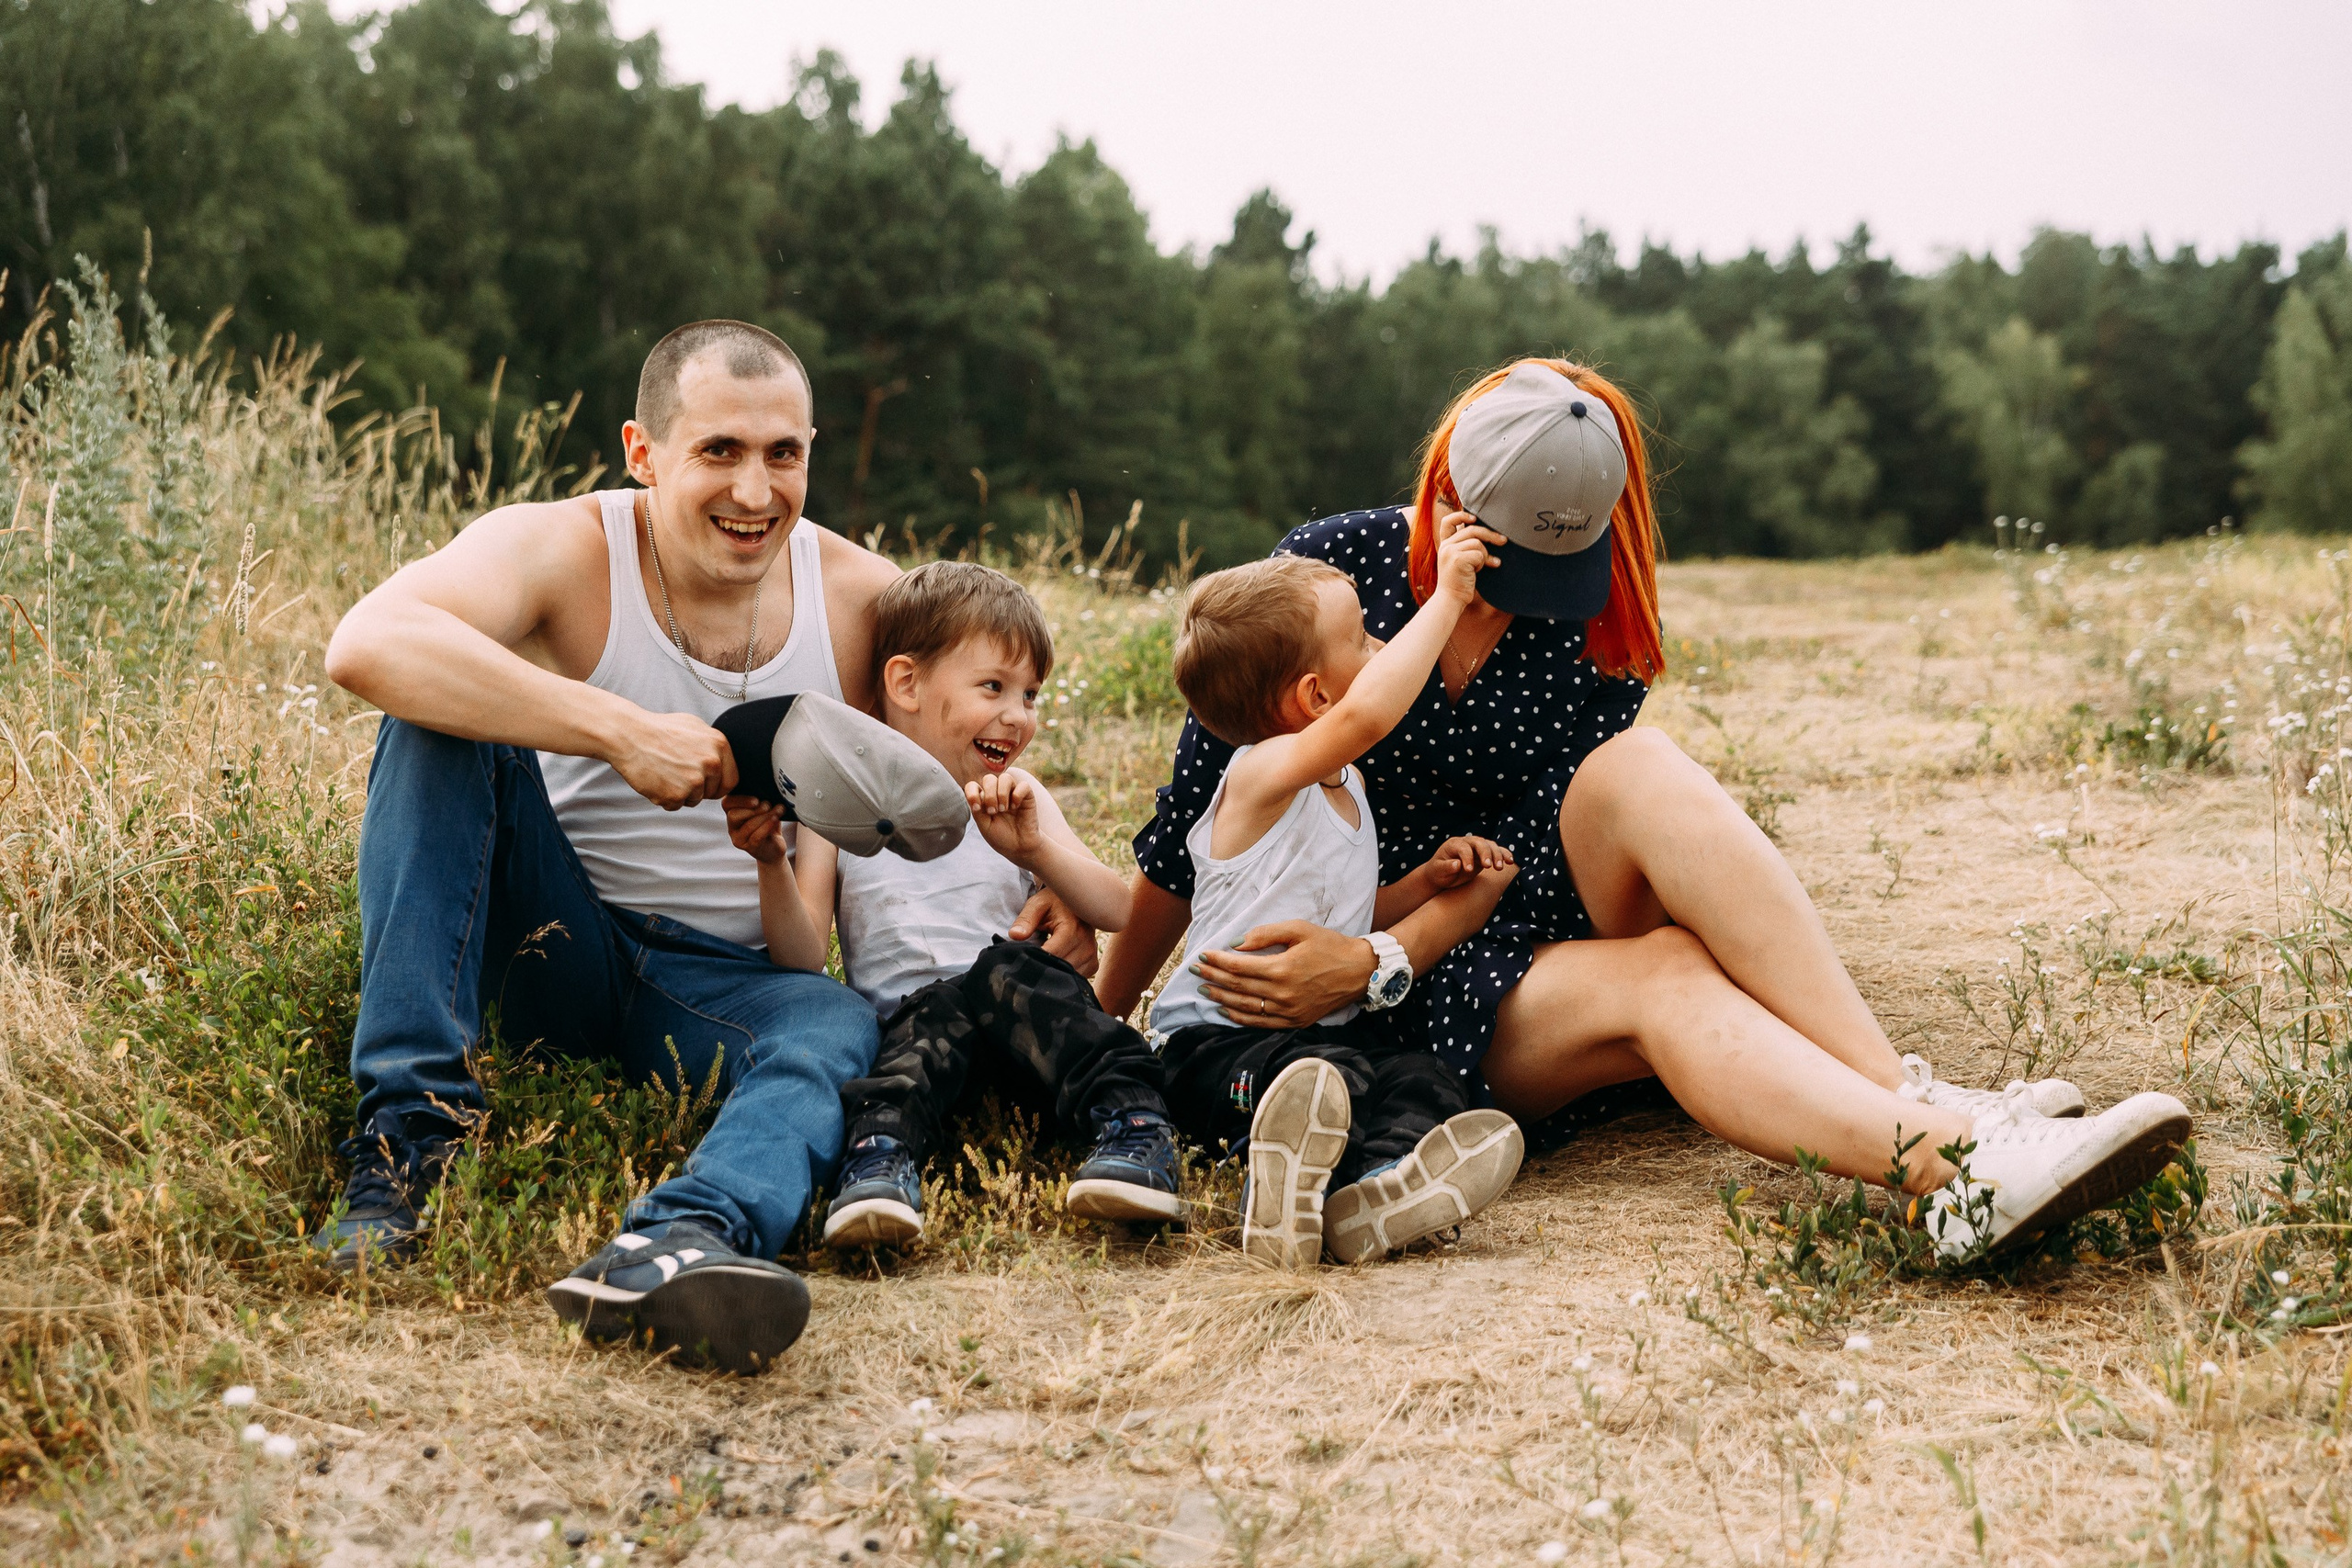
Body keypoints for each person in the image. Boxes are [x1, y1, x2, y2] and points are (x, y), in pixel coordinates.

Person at [1101, 357, 2191, 1259]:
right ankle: (1951, 1171)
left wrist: (1380, 949)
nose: (1542, 590)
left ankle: (1910, 1095)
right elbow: (1197, 816)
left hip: (1464, 930)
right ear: (1455, 503)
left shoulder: (1587, 617)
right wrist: (1103, 1034)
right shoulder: (1330, 578)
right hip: (1363, 1011)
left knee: (1640, 766)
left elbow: (1518, 860)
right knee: (1669, 969)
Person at [320, 320, 1097, 1374]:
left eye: (784, 454)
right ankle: (400, 1153)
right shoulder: (563, 547)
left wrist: (1048, 874)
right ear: (643, 452)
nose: (755, 490)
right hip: (553, 939)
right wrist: (614, 729)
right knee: (434, 723)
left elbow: (978, 709)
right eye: (719, 451)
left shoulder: (862, 597)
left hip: (725, 986)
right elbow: (369, 643)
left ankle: (682, 1240)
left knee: (830, 1025)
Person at [729, 561, 1183, 1250]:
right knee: (922, 1017)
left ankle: (1137, 1127)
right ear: (906, 683)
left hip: (1033, 1038)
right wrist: (771, 862)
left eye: (1030, 694)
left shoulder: (1018, 794)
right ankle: (881, 1157)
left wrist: (1037, 853)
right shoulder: (838, 812)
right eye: (993, 687)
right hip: (925, 1037)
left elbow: (1117, 908)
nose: (1018, 715)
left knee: (1010, 971)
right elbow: (800, 956)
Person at [1151, 544, 1527, 1268]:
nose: (1381, 644)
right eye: (1361, 638)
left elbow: (1348, 914)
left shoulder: (1345, 788)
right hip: (1210, 1046)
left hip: (1322, 1045)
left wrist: (1423, 882)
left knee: (1424, 1078)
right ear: (1318, 698)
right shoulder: (1260, 774)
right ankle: (1286, 1169)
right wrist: (1447, 599)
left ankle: (1370, 1192)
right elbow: (1370, 714)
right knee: (1320, 1081)